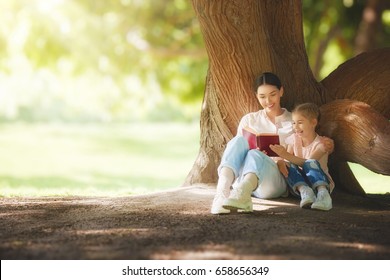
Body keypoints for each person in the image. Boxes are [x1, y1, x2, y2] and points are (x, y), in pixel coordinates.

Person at [210, 72, 333, 214]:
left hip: (276, 178)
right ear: (256, 96)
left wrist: (327, 144)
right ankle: (221, 194)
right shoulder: (249, 120)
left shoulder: (293, 120)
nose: (268, 100)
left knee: (256, 155)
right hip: (245, 175)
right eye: (262, 96)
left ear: (281, 91)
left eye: (272, 94)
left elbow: (309, 142)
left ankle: (243, 193)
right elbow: (235, 153)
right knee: (238, 141)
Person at [270, 103, 334, 211]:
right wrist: (283, 158)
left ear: (313, 122)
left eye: (300, 123)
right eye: (294, 123)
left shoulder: (322, 144)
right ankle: (305, 192)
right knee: (288, 164)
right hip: (300, 182)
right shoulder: (293, 139)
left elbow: (307, 163)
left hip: (320, 181)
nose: (295, 127)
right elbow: (288, 160)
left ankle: (323, 195)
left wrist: (285, 154)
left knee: (310, 163)